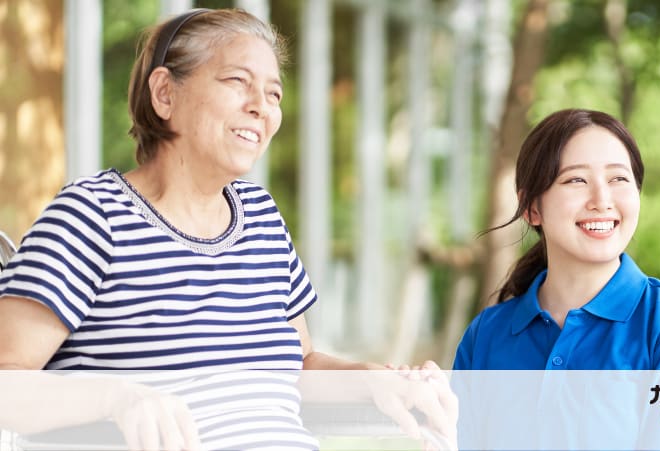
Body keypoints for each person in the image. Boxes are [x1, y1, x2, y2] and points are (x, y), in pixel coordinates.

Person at [0, 8, 454, 451]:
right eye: (238, 81)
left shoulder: (259, 216)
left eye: (274, 94)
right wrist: (118, 398)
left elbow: (298, 368)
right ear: (165, 94)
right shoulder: (92, 215)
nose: (261, 107)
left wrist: (376, 379)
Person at [451, 109, 660, 448]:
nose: (602, 201)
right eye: (576, 180)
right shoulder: (486, 335)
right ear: (531, 207)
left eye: (618, 179)